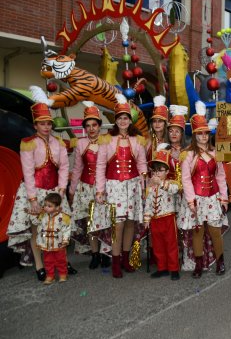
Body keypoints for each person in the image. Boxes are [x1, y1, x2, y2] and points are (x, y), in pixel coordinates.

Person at [7, 86, 71, 281]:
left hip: (55, 192)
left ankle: (63, 262)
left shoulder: (59, 142)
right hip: (35, 191)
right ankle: (39, 265)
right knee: (38, 230)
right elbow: (27, 172)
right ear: (35, 125)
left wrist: (61, 190)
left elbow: (64, 167)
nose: (46, 127)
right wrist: (33, 199)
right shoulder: (28, 143)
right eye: (42, 124)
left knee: (59, 227)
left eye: (49, 123)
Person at [95, 93, 147, 278]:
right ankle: (115, 261)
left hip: (133, 185)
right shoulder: (106, 140)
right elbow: (100, 166)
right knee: (118, 225)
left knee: (130, 223)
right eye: (120, 118)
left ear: (130, 120)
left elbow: (141, 164)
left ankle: (126, 259)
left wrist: (144, 185)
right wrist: (100, 190)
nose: (123, 121)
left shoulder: (137, 140)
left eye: (126, 118)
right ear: (115, 120)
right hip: (114, 186)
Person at [179, 102, 228, 278]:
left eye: (206, 133)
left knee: (215, 231)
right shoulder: (188, 155)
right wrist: (191, 201)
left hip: (213, 197)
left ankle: (220, 261)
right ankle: (199, 264)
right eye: (200, 133)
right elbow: (186, 179)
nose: (203, 136)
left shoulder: (216, 153)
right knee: (198, 231)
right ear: (194, 135)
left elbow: (221, 176)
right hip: (197, 199)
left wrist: (224, 198)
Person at [69, 101, 109, 269]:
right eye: (88, 125)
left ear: (99, 126)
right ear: (85, 127)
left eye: (94, 125)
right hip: (85, 187)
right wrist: (72, 191)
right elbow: (77, 168)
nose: (91, 128)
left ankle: (105, 252)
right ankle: (94, 254)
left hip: (104, 187)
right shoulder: (80, 143)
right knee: (90, 221)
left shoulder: (107, 141)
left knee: (106, 220)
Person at [144, 145, 180, 280]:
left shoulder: (171, 183)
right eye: (154, 170)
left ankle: (174, 269)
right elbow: (148, 204)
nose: (157, 173)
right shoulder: (150, 187)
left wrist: (161, 183)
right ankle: (162, 268)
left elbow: (174, 190)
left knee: (171, 244)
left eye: (160, 170)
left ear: (167, 171)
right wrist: (147, 219)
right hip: (155, 220)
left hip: (168, 218)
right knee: (158, 245)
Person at [37, 193, 72, 285]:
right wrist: (40, 238)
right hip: (46, 243)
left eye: (49, 206)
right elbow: (39, 227)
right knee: (47, 260)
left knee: (61, 259)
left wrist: (65, 240)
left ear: (57, 207)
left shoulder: (63, 217)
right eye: (45, 205)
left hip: (59, 243)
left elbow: (66, 229)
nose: (46, 208)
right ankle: (50, 275)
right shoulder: (43, 216)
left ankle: (63, 274)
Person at [147, 95, 169, 161]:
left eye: (160, 121)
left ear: (165, 123)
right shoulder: (147, 140)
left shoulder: (171, 139)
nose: (157, 124)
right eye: (154, 121)